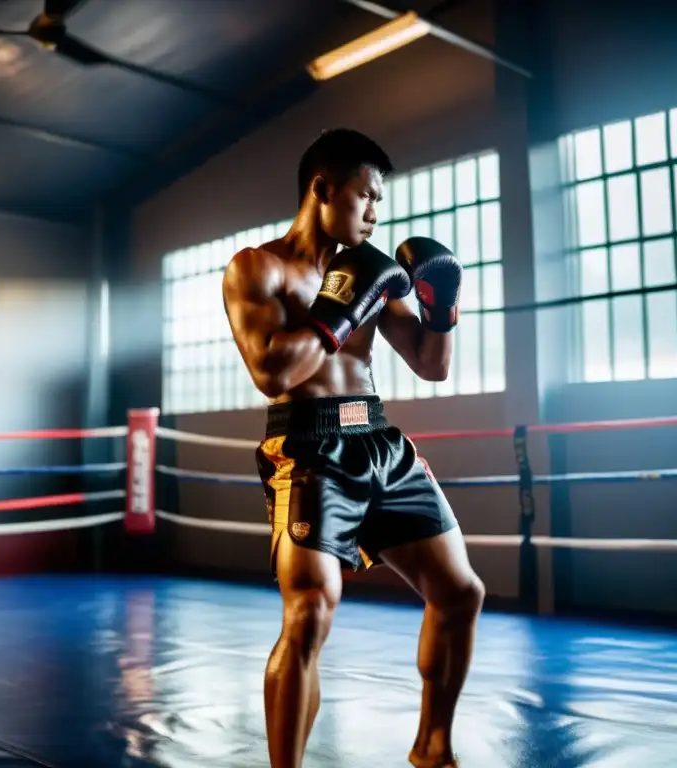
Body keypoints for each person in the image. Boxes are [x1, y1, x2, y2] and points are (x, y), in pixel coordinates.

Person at [222, 128, 485, 768]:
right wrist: (338, 308)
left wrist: (441, 308)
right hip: (308, 446)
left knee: (461, 593)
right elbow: (272, 372)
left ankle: (433, 748)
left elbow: (431, 365)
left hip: (378, 438)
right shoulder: (259, 267)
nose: (374, 213)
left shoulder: (368, 270)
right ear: (323, 188)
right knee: (310, 609)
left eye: (379, 202)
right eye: (366, 196)